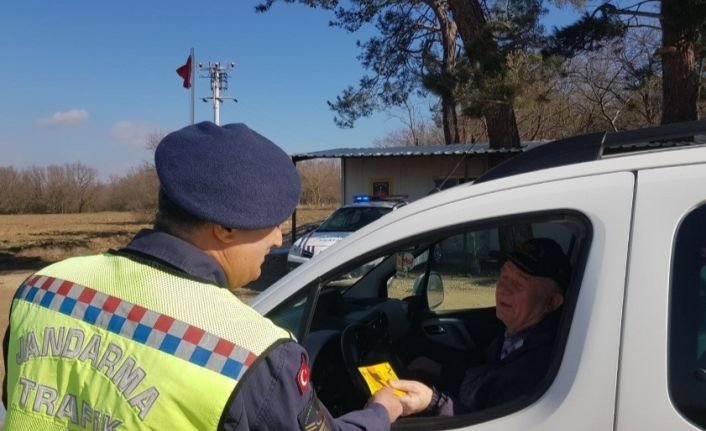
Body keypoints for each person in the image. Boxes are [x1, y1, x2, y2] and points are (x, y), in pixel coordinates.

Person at [1, 122, 402, 430]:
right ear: (224, 227)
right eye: (272, 222)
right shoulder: (255, 356)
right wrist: (383, 410)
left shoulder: (45, 287)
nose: (279, 238)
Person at [390, 238, 571, 417]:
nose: (503, 288)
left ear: (552, 303)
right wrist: (441, 370)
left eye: (518, 283)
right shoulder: (515, 335)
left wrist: (433, 402)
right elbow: (485, 369)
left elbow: (492, 423)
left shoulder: (540, 367)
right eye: (503, 276)